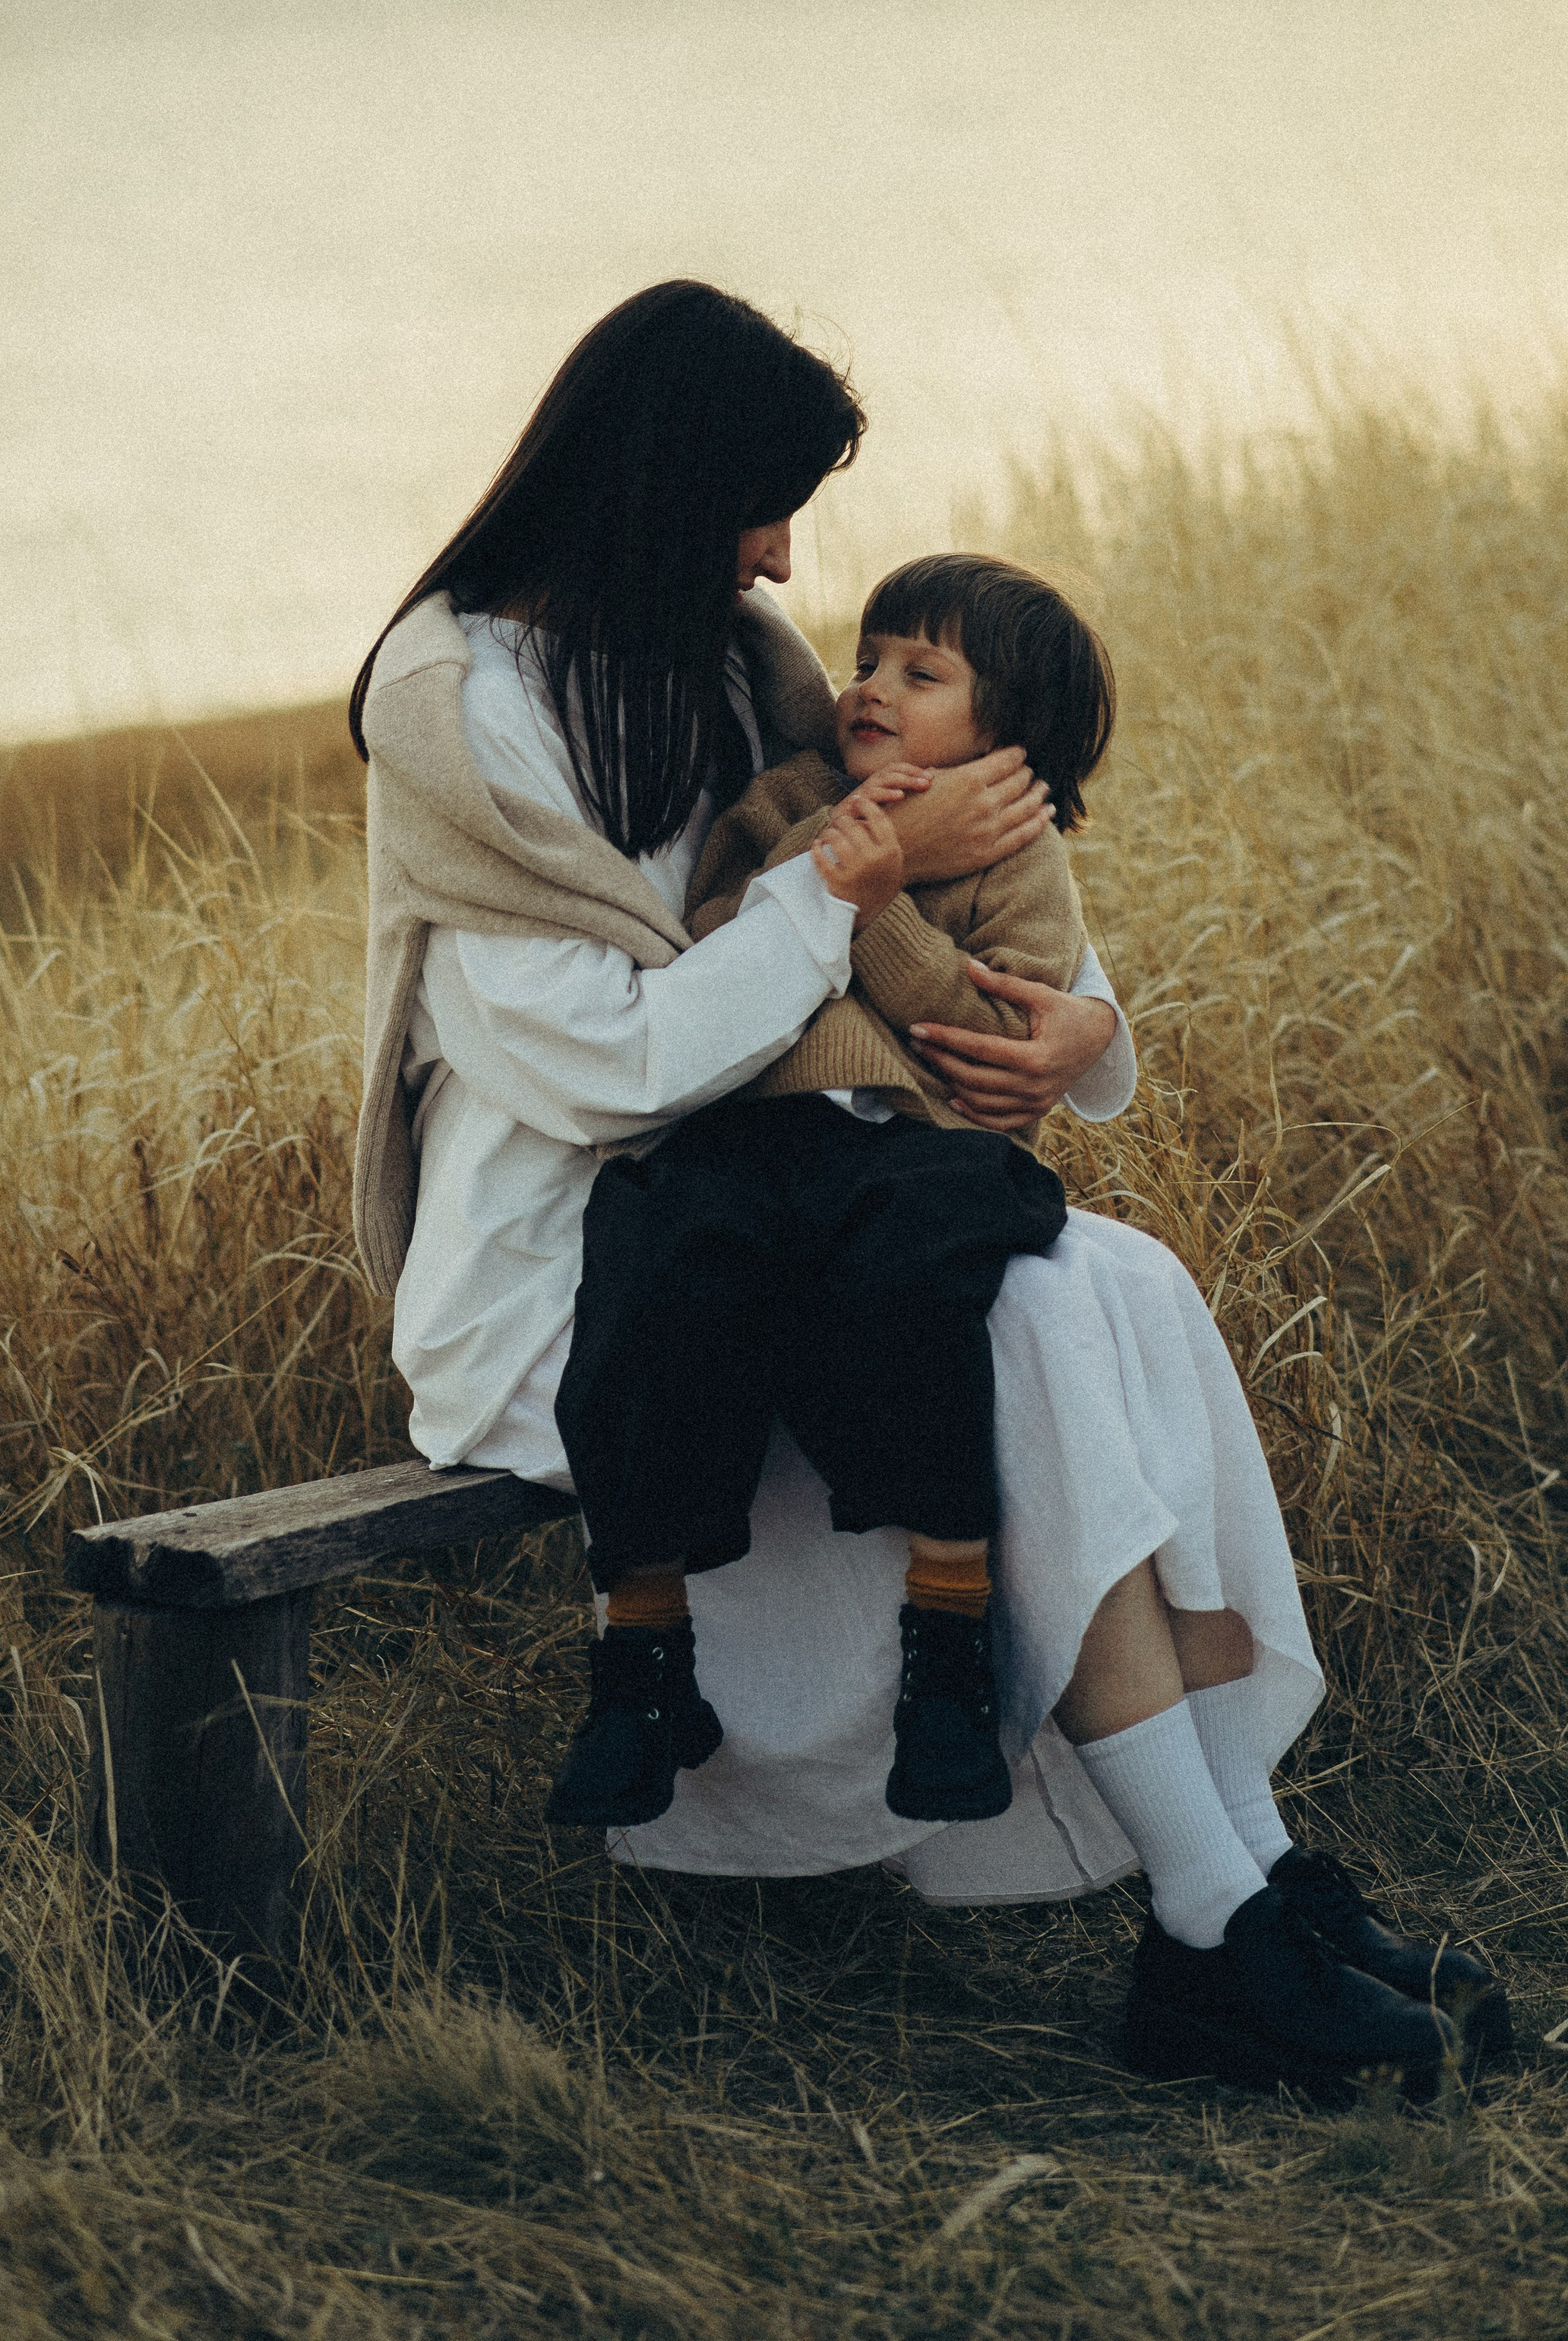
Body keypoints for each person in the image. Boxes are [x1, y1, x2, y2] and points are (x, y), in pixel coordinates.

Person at [351, 277, 1506, 2103]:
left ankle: (1252, 1871)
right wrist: (844, 885)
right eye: (762, 505)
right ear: (667, 484)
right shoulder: (451, 708)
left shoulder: (729, 661)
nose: (785, 560)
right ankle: (1210, 1928)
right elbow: (607, 1064)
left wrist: (1074, 1034)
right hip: (591, 1261)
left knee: (1121, 1284)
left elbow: (974, 864)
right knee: (1035, 1313)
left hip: (799, 1191)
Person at [546, 555, 1111, 1836]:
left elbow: (986, 1034)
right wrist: (835, 864)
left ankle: (950, 1647)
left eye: (923, 674)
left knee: (914, 1285)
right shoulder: (790, 798)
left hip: (914, 1145)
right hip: (750, 1129)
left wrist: (871, 910)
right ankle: (641, 1657)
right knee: (655, 1255)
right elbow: (723, 940)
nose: (870, 687)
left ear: (1006, 729)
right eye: (867, 659)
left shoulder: (1020, 854)